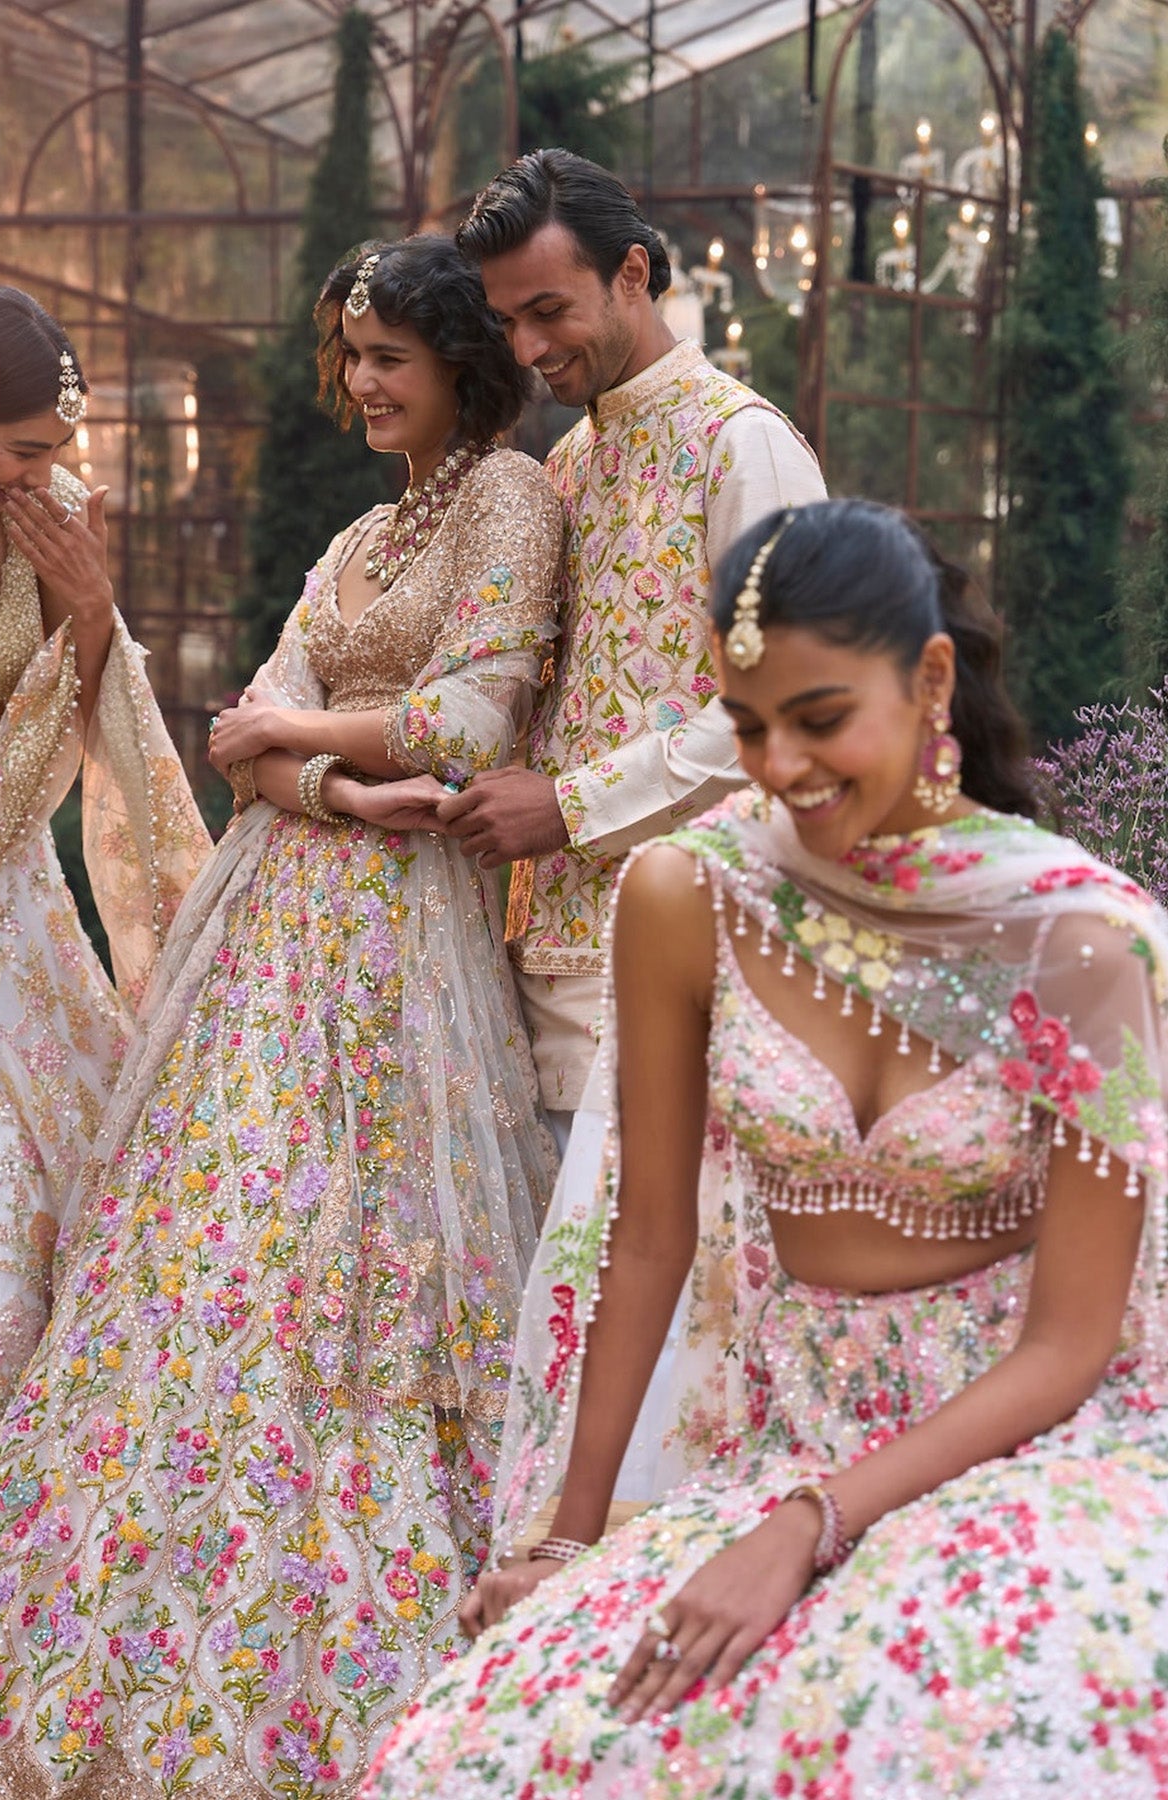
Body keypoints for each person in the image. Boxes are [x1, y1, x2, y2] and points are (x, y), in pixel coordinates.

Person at [364, 498, 1168, 1800]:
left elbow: (1073, 1344)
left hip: (1040, 1454)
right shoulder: (691, 896)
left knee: (970, 1729)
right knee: (510, 1743)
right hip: (787, 1442)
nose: (781, 767)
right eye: (748, 727)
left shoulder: (1085, 945)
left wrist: (821, 1524)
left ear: (933, 681)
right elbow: (650, 1238)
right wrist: (566, 1548)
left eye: (822, 718)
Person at [0, 236, 560, 1792]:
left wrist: (310, 744)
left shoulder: (511, 498)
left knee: (372, 1274)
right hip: (275, 934)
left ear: (459, 363)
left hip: (399, 959)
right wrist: (342, 777)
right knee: (218, 1259)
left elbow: (471, 717)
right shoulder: (366, 533)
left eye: (389, 357)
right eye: (350, 356)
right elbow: (243, 738)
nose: (361, 383)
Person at [439, 148, 828, 1139]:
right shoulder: (566, 462)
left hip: (691, 982)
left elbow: (787, 718)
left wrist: (567, 807)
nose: (525, 349)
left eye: (549, 312)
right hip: (539, 984)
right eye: (507, 321)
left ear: (633, 274)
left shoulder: (746, 448)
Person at [0, 285, 208, 1466]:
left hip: (14, 912)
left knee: (63, 1206)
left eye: (62, 446)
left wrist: (93, 605)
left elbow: (85, 679)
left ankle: (39, 1529)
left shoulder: (49, 515)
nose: (50, 470)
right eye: (23, 447)